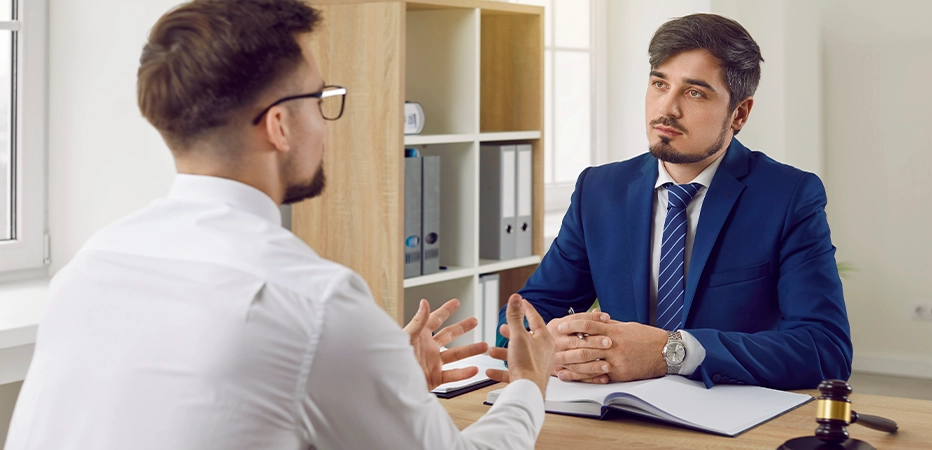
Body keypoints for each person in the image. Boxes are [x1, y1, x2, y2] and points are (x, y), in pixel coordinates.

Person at [4, 1, 555, 449]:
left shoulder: (89, 268)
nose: (326, 121)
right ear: (280, 125)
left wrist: (389, 386)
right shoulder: (314, 302)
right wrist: (529, 387)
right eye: (321, 99)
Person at [497, 13, 851, 391]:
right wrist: (556, 342)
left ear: (739, 114)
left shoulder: (788, 197)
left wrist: (673, 351)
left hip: (728, 416)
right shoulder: (598, 190)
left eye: (694, 92)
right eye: (659, 84)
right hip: (616, 409)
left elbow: (824, 349)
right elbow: (520, 319)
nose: (667, 108)